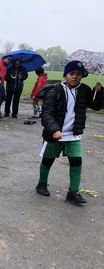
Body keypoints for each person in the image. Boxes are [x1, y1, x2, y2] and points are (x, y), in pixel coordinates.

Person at [35, 60, 103, 205]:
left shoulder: (84, 90)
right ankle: (41, 184)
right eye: (72, 73)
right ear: (65, 75)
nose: (75, 77)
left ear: (82, 76)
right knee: (48, 159)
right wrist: (54, 130)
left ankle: (73, 192)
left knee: (76, 162)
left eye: (78, 74)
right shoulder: (55, 90)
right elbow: (46, 114)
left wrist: (99, 92)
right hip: (55, 133)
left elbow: (97, 106)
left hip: (74, 134)